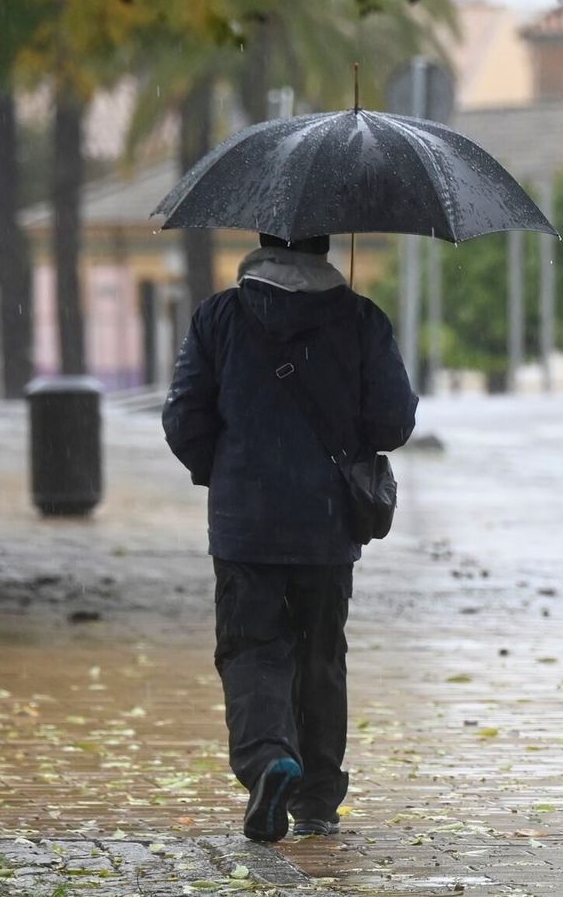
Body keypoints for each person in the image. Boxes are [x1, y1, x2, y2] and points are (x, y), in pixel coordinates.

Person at [162, 233, 417, 842]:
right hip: (327, 523)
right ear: (326, 246)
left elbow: (183, 419)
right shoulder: (360, 318)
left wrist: (222, 471)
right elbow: (394, 421)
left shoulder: (219, 317)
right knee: (319, 655)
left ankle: (268, 759)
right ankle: (317, 801)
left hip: (243, 522)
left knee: (251, 647)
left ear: (262, 241)